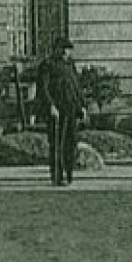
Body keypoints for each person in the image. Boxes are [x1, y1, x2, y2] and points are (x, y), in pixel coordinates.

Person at [34, 35, 86, 186]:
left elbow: (76, 87)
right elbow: (43, 88)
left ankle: (69, 174)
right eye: (62, 49)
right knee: (57, 143)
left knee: (71, 142)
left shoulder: (70, 65)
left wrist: (82, 106)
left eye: (68, 49)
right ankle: (57, 176)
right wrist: (50, 106)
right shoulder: (47, 64)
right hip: (57, 111)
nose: (65, 52)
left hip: (70, 109)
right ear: (55, 49)